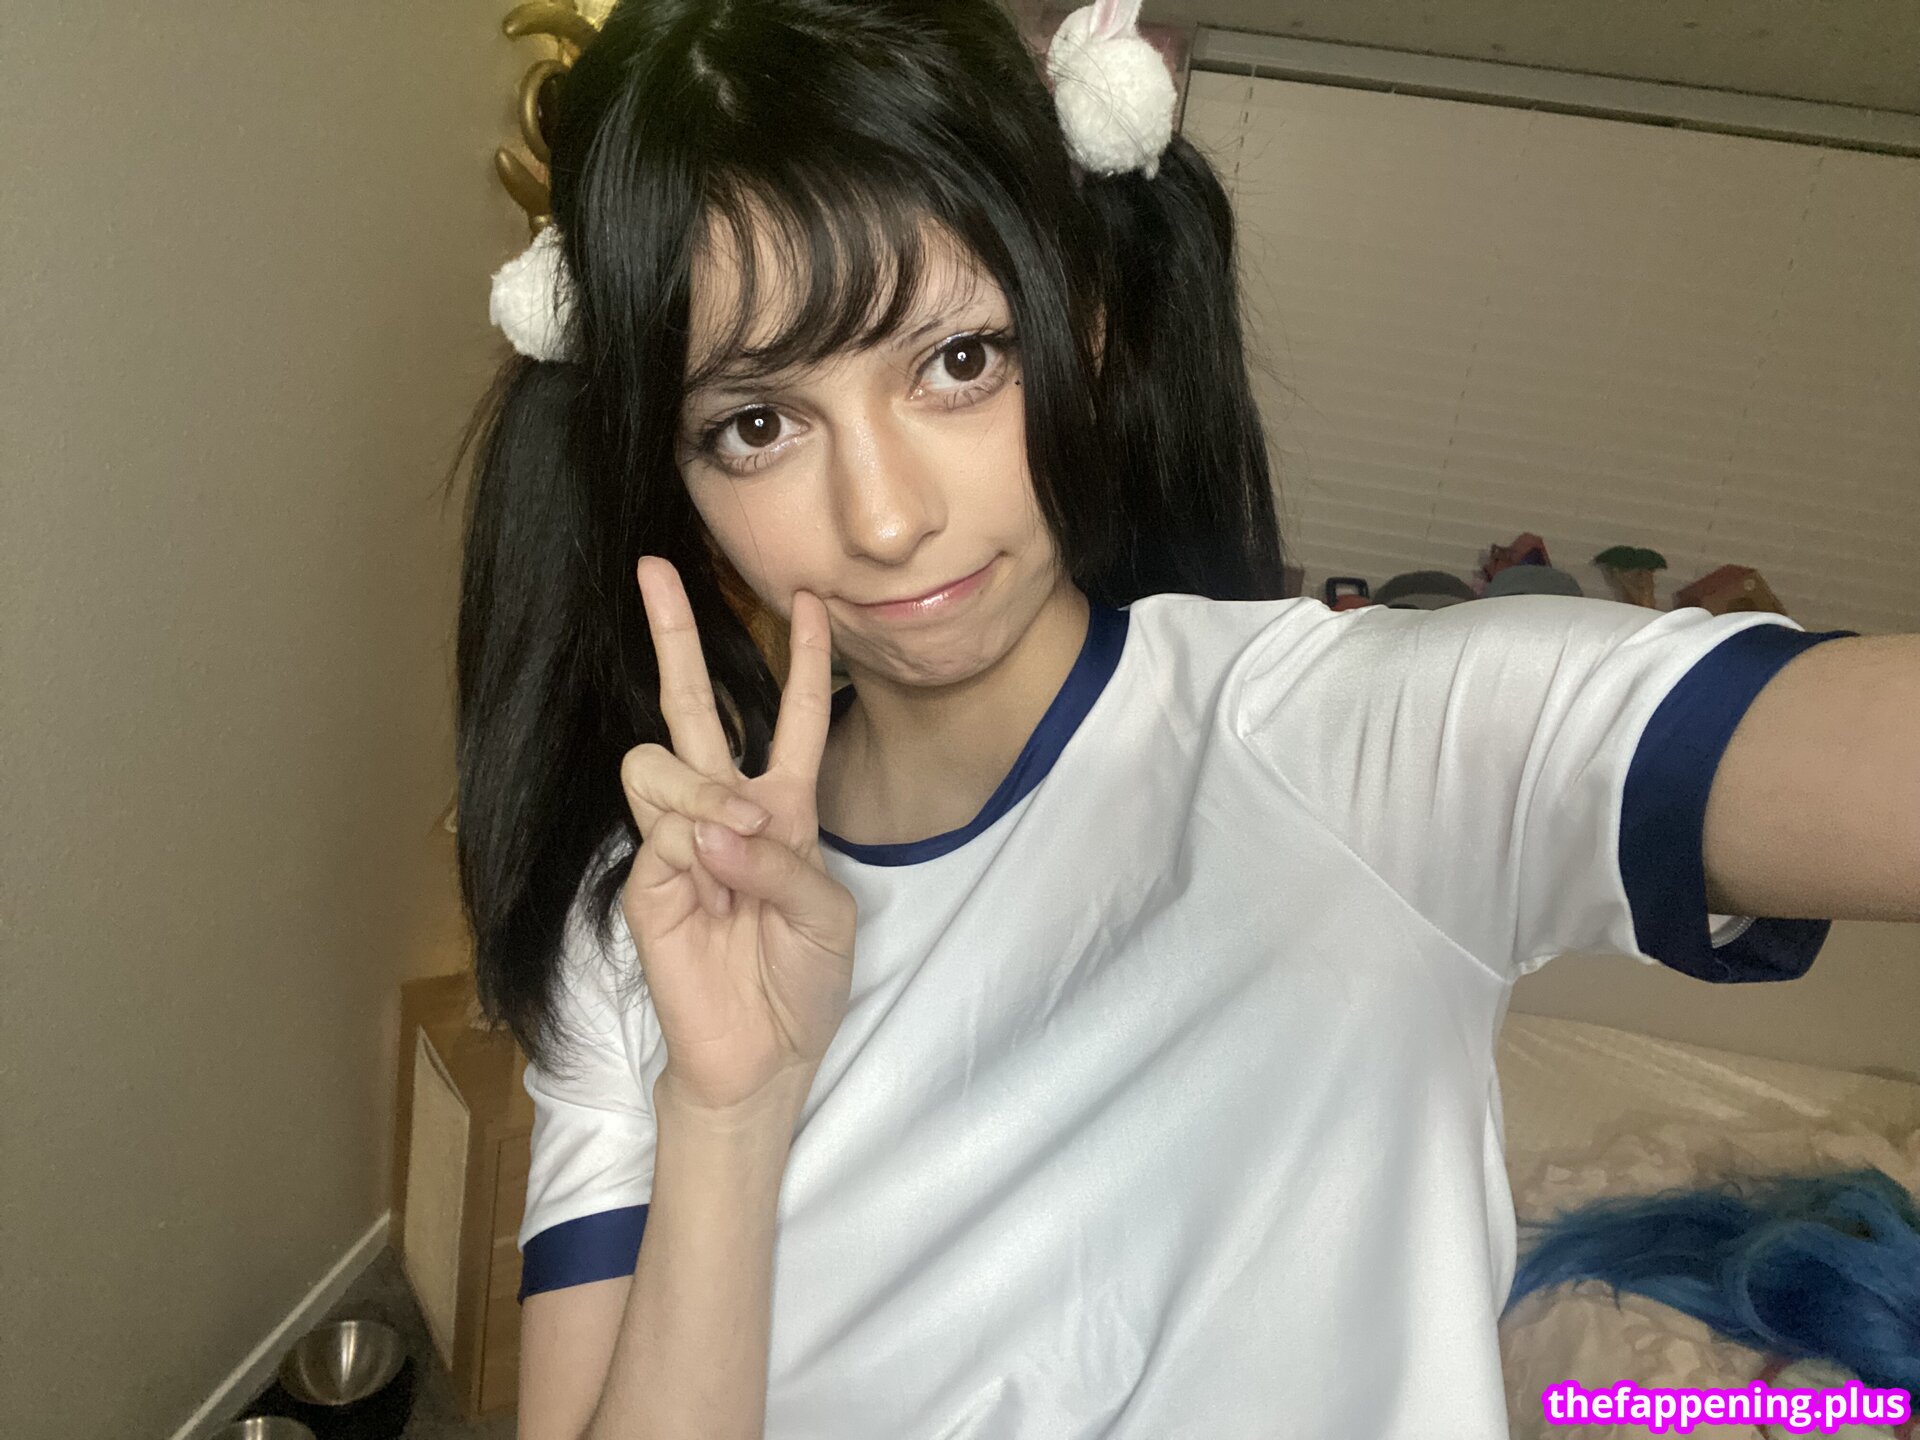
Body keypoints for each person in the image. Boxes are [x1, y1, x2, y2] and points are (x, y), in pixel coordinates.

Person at [447, 2, 1920, 1436]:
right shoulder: (649, 926)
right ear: (673, 476)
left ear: (1085, 330)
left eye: (959, 360)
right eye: (757, 424)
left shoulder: (1352, 747)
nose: (885, 520)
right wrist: (729, 1118)